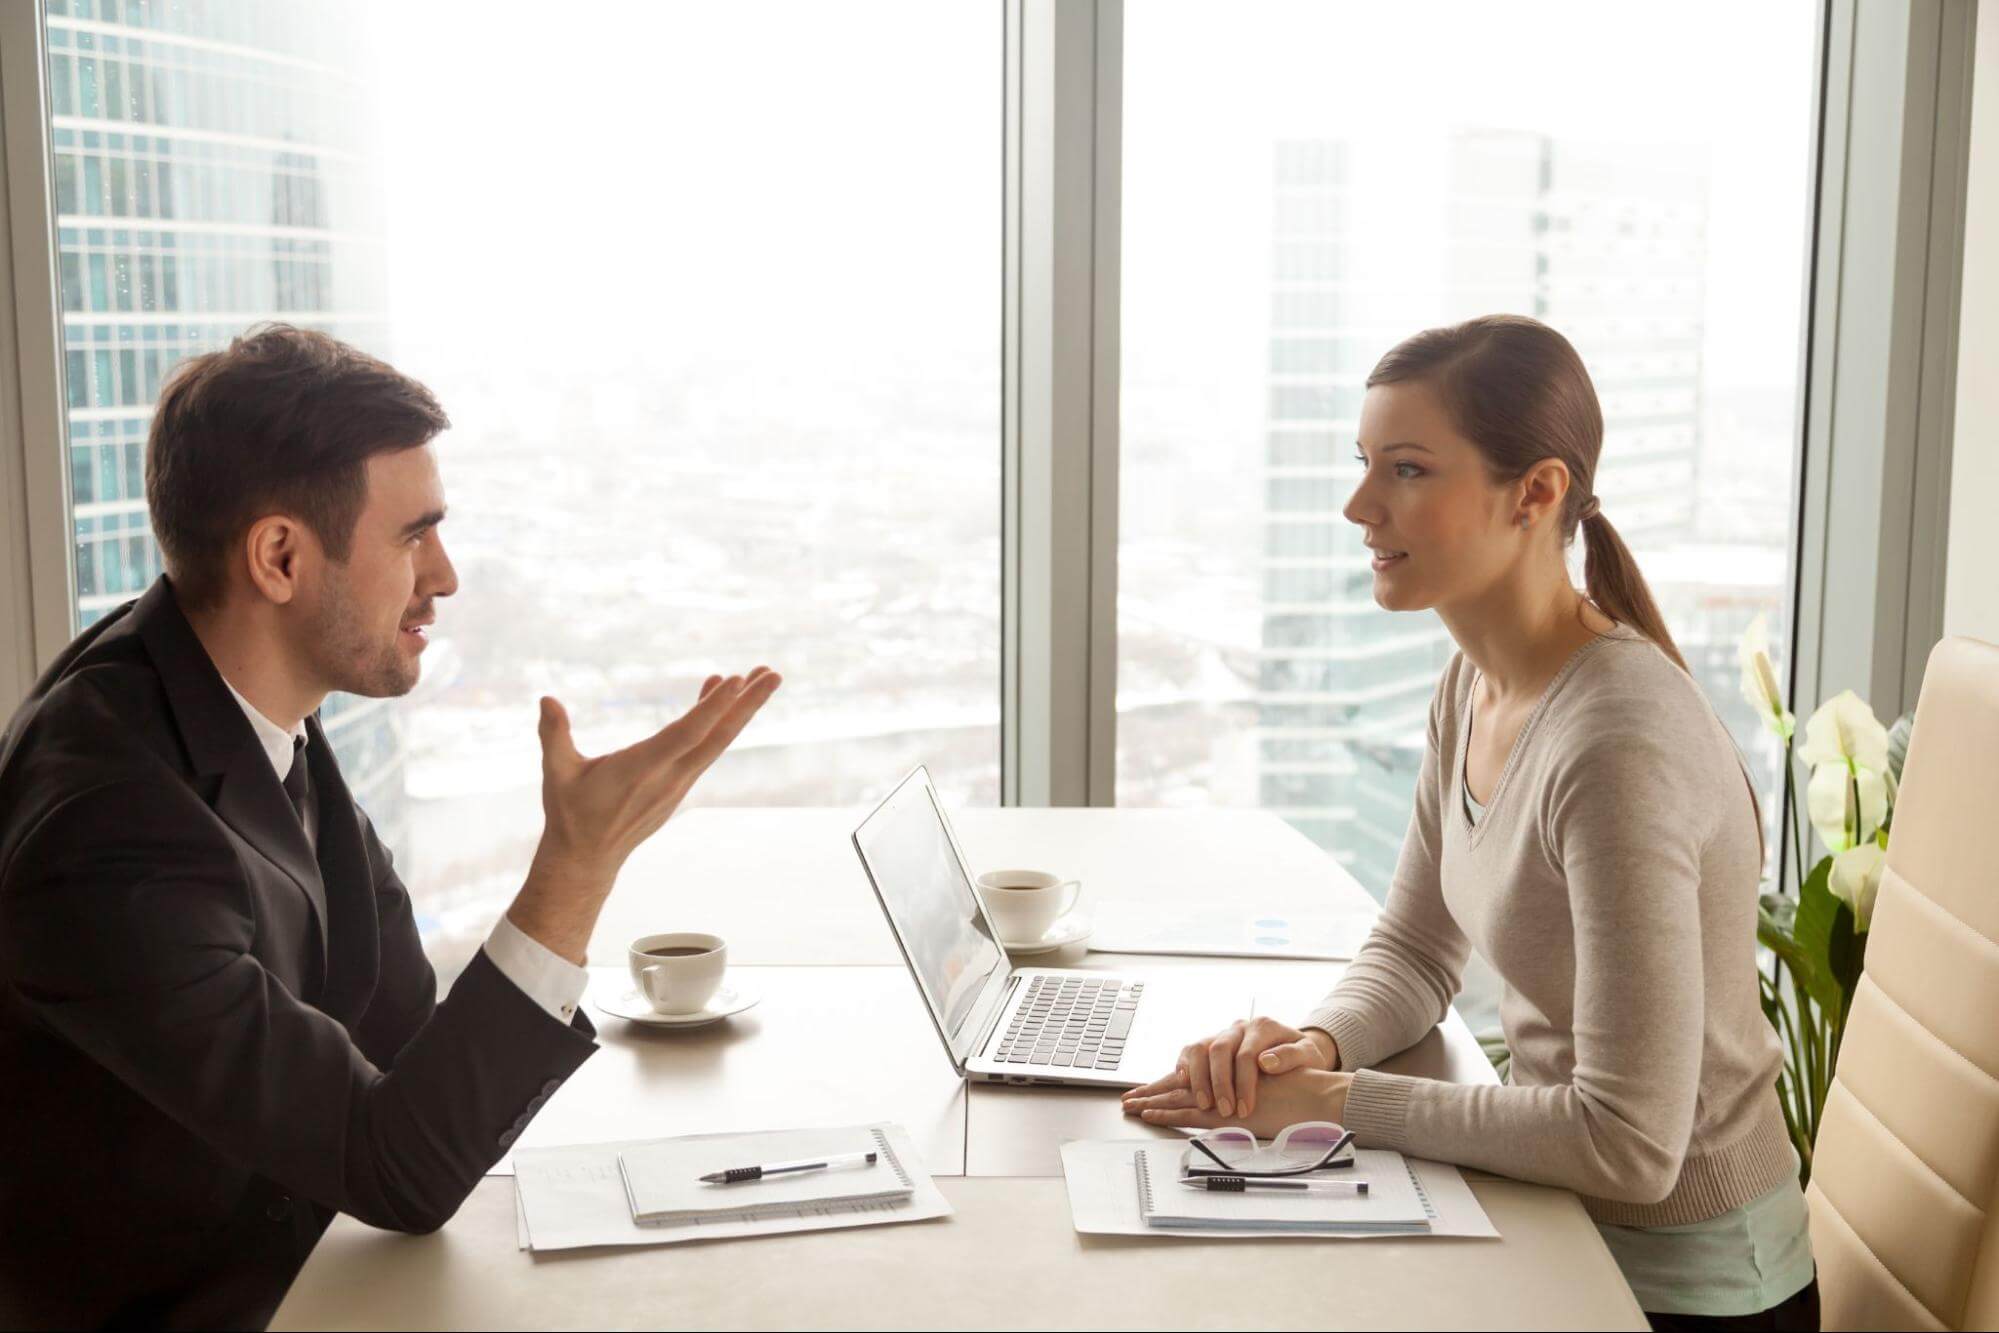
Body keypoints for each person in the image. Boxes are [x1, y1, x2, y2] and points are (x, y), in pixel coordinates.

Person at [0, 325, 781, 1330]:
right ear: (280, 557)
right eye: (414, 534)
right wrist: (577, 866)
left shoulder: (237, 697)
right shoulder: (105, 830)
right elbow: (397, 1168)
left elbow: (403, 1042)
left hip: (320, 1270)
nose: (445, 575)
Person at [1121, 315, 1817, 1332]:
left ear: (1534, 493)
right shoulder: (1475, 681)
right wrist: (1304, 1048)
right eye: (1364, 464)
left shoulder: (1615, 745)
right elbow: (1411, 950)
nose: (1359, 506)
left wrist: (1332, 1101)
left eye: (1405, 470)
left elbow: (1629, 1142)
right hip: (1563, 1221)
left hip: (1683, 1286)